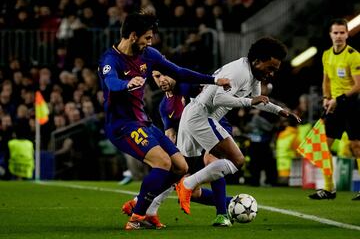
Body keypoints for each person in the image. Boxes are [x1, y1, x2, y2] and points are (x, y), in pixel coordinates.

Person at [97, 12, 230, 230]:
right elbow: (111, 82)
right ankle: (137, 217)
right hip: (122, 126)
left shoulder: (149, 55)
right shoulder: (110, 60)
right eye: (147, 37)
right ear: (132, 36)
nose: (150, 42)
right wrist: (127, 84)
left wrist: (214, 80)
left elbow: (178, 72)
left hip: (144, 123)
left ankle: (144, 209)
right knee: (162, 163)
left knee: (180, 166)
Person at [175, 37, 302, 215]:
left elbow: (258, 101)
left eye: (275, 70)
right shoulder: (239, 71)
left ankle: (145, 208)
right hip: (202, 116)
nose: (271, 73)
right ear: (257, 61)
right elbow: (218, 98)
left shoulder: (254, 74)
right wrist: (249, 101)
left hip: (196, 114)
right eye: (270, 68)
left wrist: (279, 111)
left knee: (179, 169)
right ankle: (188, 185)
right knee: (237, 160)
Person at [122, 70, 234, 227]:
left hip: (214, 127)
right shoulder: (164, 106)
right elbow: (170, 134)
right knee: (190, 188)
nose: (161, 79)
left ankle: (222, 215)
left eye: (164, 74)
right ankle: (234, 203)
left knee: (211, 159)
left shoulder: (186, 86)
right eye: (156, 76)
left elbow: (210, 94)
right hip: (190, 142)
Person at [308, 18, 360, 200]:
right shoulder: (326, 55)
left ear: (347, 34)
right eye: (335, 33)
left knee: (356, 147)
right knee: (323, 147)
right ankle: (329, 189)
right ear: (330, 35)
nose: (338, 36)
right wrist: (326, 98)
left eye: (342, 32)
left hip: (352, 105)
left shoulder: (354, 55)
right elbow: (326, 80)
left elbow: (358, 86)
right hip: (333, 106)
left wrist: (338, 99)